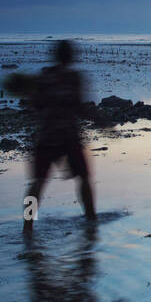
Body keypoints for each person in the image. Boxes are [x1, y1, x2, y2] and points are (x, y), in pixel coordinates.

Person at [17, 40, 96, 233]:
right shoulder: (74, 78)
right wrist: (102, 121)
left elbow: (34, 105)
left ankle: (27, 226)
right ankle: (91, 219)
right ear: (71, 56)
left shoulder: (43, 78)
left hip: (46, 136)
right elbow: (80, 107)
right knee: (84, 179)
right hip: (68, 136)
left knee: (37, 183)